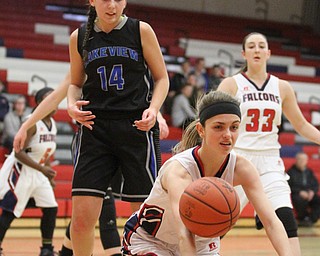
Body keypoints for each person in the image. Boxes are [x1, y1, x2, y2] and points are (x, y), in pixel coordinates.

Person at [122, 90, 293, 256]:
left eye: (234, 127)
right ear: (201, 130)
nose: (227, 135)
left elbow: (271, 222)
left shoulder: (243, 168)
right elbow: (185, 233)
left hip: (202, 245)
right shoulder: (179, 170)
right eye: (218, 127)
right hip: (150, 240)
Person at [67, 1, 169, 255]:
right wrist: (70, 105)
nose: (112, 5)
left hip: (136, 127)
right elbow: (74, 83)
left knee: (145, 220)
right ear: (92, 0)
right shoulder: (79, 37)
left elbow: (162, 78)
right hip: (94, 128)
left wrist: (154, 110)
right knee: (80, 221)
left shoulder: (140, 30)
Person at [217, 32, 320, 256]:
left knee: (286, 223)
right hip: (237, 160)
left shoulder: (282, 87)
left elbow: (301, 125)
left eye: (261, 46)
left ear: (268, 53)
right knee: (216, 226)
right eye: (251, 46)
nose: (256, 49)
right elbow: (211, 121)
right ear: (244, 53)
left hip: (270, 162)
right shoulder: (231, 84)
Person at [0, 87, 58, 256]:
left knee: (51, 208)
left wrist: (49, 174)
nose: (54, 102)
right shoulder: (31, 122)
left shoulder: (52, 123)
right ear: (40, 103)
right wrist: (42, 169)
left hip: (38, 171)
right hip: (21, 170)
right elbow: (18, 152)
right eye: (49, 98)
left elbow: (45, 151)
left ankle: (46, 249)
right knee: (10, 211)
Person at [287, 152, 320, 226]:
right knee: (298, 200)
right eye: (300, 159)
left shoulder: (309, 172)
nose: (302, 161)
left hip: (309, 193)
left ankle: (311, 219)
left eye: (304, 159)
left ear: (307, 161)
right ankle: (302, 218)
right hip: (296, 193)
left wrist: (312, 191)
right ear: (296, 160)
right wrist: (299, 192)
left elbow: (315, 184)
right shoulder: (290, 172)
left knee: (317, 200)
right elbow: (288, 185)